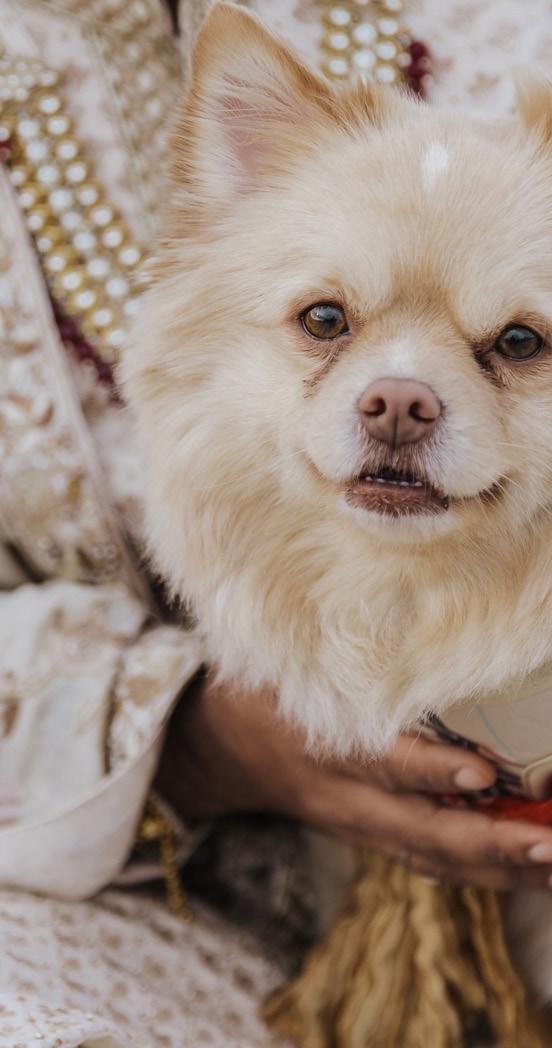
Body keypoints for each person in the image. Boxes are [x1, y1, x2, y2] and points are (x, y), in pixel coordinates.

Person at [2, 1, 552, 1046]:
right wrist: (192, 734)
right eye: (326, 323)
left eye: (516, 344)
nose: (399, 397)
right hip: (153, 887)